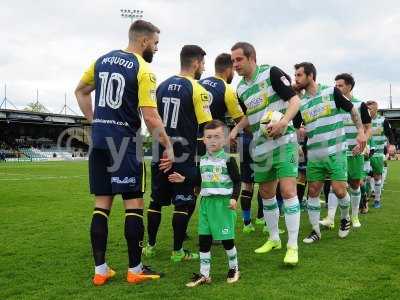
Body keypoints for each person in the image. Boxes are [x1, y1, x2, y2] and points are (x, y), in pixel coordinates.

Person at [74, 20, 173, 286]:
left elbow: (81, 91)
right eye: (155, 43)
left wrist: (94, 121)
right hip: (125, 145)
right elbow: (151, 117)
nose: (156, 48)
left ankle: (101, 270)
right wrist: (168, 145)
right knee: (133, 206)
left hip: (100, 144)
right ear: (143, 41)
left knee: (101, 206)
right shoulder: (144, 69)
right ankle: (135, 269)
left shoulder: (101, 60)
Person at [230, 42, 301, 265]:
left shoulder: (271, 72)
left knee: (288, 191)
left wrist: (284, 122)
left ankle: (292, 246)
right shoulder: (240, 89)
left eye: (239, 59)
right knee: (266, 194)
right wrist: (235, 129)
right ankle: (273, 238)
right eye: (232, 61)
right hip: (261, 148)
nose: (235, 65)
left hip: (284, 142)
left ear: (252, 57)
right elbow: (250, 117)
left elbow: (294, 100)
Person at [143, 45, 212, 262]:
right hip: (183, 155)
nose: (204, 67)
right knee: (182, 203)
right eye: (203, 63)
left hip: (159, 152)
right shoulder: (198, 89)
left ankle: (150, 247)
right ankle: (177, 252)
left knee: (156, 202)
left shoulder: (161, 86)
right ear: (197, 63)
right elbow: (207, 128)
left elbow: (151, 118)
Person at [292, 62, 366, 244]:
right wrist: (298, 143)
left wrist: (361, 132)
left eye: (299, 75)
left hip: (336, 151)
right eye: (295, 76)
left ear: (310, 76)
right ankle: (315, 230)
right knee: (313, 192)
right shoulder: (301, 102)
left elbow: (352, 109)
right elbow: (295, 127)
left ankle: (345, 218)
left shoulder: (331, 92)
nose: (296, 79)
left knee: (340, 191)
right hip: (315, 154)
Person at [169, 120, 241, 287]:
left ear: (223, 140)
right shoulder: (203, 160)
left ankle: (234, 268)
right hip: (206, 205)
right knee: (204, 240)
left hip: (223, 205)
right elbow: (199, 181)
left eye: (217, 136)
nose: (213, 140)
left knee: (227, 240)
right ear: (204, 140)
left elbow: (237, 182)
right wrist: (185, 179)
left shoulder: (228, 160)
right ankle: (204, 274)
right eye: (209, 137)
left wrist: (233, 198)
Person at [320, 73, 371, 228]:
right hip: (336, 151)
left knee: (355, 184)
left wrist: (362, 142)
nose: (337, 88)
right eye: (335, 85)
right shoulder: (332, 104)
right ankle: (330, 217)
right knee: (336, 184)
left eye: (340, 85)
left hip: (354, 151)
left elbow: (368, 128)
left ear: (349, 86)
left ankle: (354, 216)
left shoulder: (360, 105)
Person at [366, 100, 396, 208]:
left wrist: (392, 144)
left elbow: (390, 134)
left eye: (370, 109)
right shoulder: (363, 120)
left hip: (377, 154)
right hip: (365, 153)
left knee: (377, 177)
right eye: (367, 109)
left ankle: (377, 200)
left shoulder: (382, 120)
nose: (368, 111)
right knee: (365, 177)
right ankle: (365, 198)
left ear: (376, 109)